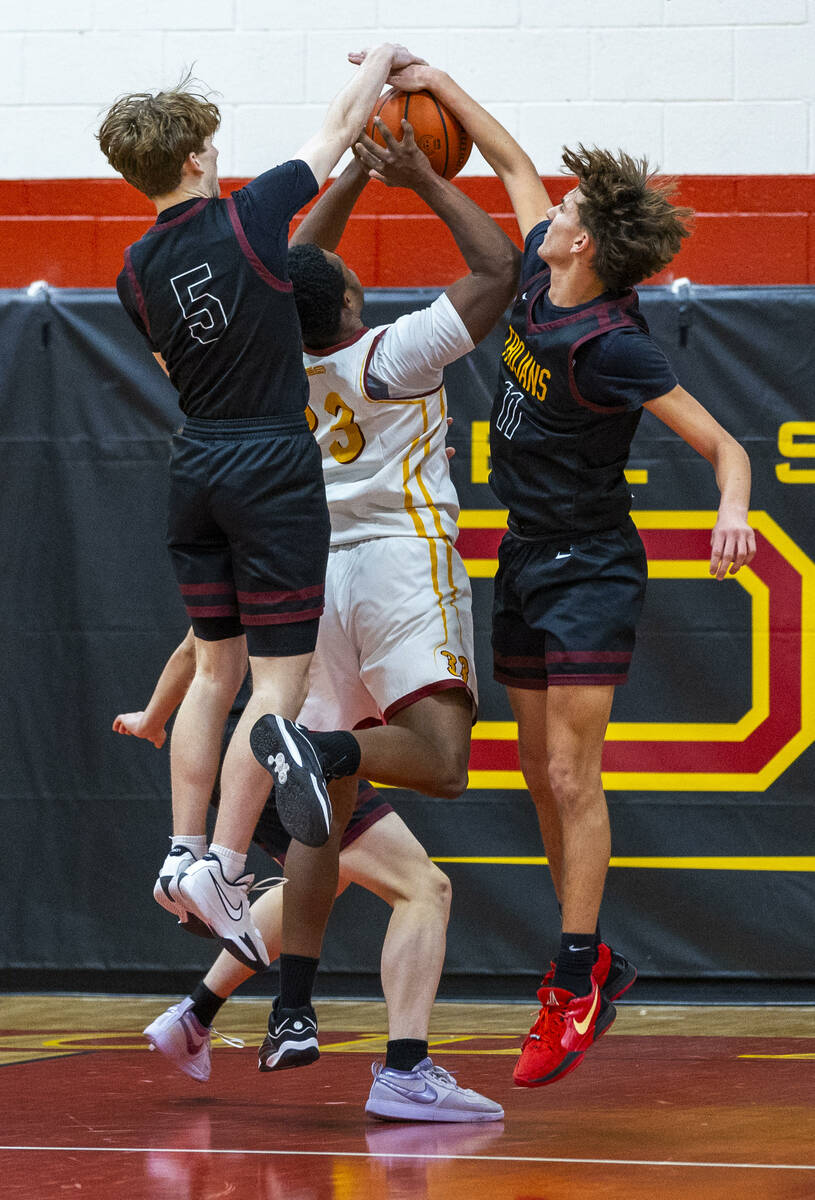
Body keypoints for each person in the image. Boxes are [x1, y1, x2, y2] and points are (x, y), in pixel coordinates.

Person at [338, 55, 757, 1089]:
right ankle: (594, 960)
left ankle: (573, 977)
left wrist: (733, 506)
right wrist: (434, 76)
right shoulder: (537, 263)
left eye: (564, 207)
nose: (549, 204)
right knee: (532, 772)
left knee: (570, 774)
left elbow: (721, 444)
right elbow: (511, 155)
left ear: (584, 243)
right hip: (523, 551)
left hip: (588, 564)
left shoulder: (612, 344)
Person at [117, 118, 518, 1121]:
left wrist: (160, 706)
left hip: (304, 574)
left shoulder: (257, 367)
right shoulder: (393, 351)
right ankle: (325, 768)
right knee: (431, 760)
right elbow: (496, 269)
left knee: (320, 823)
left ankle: (258, 1008)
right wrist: (420, 172)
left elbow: (297, 270)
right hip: (394, 571)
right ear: (346, 300)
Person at [96, 45, 424, 974]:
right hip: (269, 459)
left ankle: (182, 851)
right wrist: (387, 61)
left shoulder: (130, 270)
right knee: (275, 692)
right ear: (198, 156)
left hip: (193, 461)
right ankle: (229, 867)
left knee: (213, 671)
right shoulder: (249, 216)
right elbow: (336, 126)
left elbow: (173, 367)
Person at [118, 633, 502, 1122]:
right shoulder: (316, 563)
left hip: (233, 748)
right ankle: (405, 1070)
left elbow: (194, 646)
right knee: (423, 887)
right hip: (286, 750)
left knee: (319, 882)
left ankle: (196, 1015)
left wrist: (153, 716)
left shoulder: (258, 571)